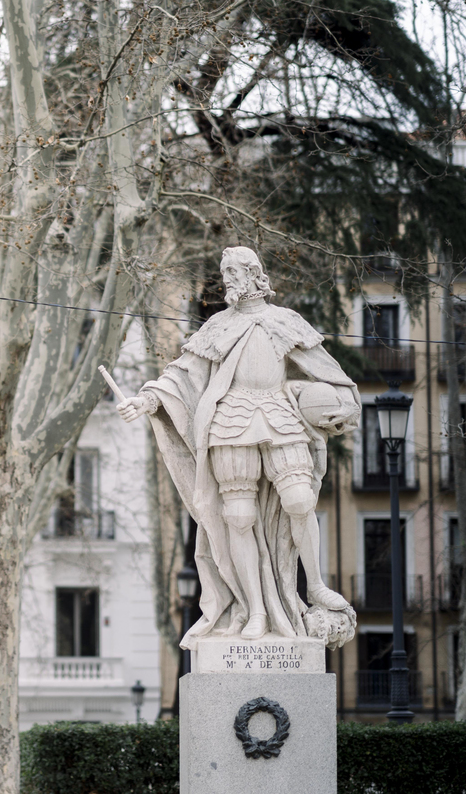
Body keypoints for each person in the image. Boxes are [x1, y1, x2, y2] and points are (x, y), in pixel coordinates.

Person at [117, 246, 359, 646]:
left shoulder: (285, 321)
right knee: (239, 516)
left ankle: (315, 585)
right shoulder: (217, 326)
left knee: (300, 499)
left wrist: (343, 405)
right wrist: (147, 400)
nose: (227, 278)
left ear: (254, 273)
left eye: (233, 271)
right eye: (224, 271)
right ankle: (256, 609)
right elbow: (182, 374)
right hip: (230, 421)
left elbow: (327, 370)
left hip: (280, 415)